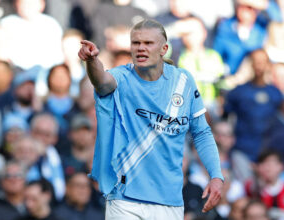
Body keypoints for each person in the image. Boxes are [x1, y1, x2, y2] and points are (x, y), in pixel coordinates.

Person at [78, 19, 224, 219]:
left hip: (169, 200)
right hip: (125, 198)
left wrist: (216, 175)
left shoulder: (183, 81)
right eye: (136, 43)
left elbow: (202, 132)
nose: (141, 48)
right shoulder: (122, 77)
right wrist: (92, 61)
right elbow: (102, 83)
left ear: (164, 48)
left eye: (148, 43)